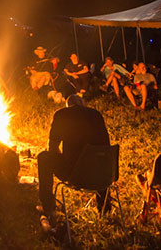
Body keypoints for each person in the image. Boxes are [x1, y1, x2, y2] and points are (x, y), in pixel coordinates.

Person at [37, 95, 111, 224]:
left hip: (74, 174)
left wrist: (61, 158)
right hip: (101, 176)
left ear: (68, 105)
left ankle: (48, 207)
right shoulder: (96, 115)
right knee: (98, 158)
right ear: (83, 103)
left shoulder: (62, 114)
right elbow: (106, 147)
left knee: (43, 157)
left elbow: (52, 147)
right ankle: (104, 208)